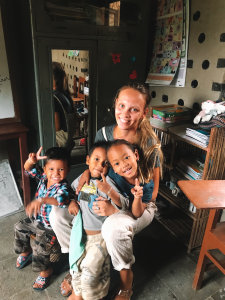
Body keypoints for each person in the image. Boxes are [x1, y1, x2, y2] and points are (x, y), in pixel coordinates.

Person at [51, 82, 163, 299]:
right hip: (101, 191)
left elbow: (153, 193)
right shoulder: (103, 133)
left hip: (138, 203)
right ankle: (76, 264)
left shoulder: (148, 143)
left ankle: (126, 281)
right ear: (115, 104)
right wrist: (86, 175)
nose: (126, 114)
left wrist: (117, 209)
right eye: (122, 106)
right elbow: (95, 163)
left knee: (113, 226)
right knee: (58, 213)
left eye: (134, 109)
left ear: (144, 112)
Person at [67, 141, 132, 300]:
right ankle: (78, 292)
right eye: (96, 159)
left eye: (105, 163)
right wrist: (72, 201)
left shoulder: (107, 183)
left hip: (99, 237)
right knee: (77, 265)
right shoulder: (83, 180)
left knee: (92, 269)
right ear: (88, 160)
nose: (100, 165)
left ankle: (93, 296)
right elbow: (72, 193)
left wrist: (110, 196)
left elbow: (124, 204)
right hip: (81, 236)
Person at [14, 146, 71, 291]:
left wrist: (42, 200)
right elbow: (28, 169)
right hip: (37, 221)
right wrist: (30, 160)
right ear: (45, 169)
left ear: (68, 170)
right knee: (19, 227)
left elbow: (61, 200)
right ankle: (25, 252)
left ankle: (46, 272)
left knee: (39, 248)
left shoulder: (63, 188)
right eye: (51, 169)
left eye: (61, 169)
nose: (55, 173)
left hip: (50, 228)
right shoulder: (44, 177)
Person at [53, 62, 76, 149]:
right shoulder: (64, 93)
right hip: (68, 137)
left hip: (61, 140)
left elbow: (57, 127)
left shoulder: (54, 98)